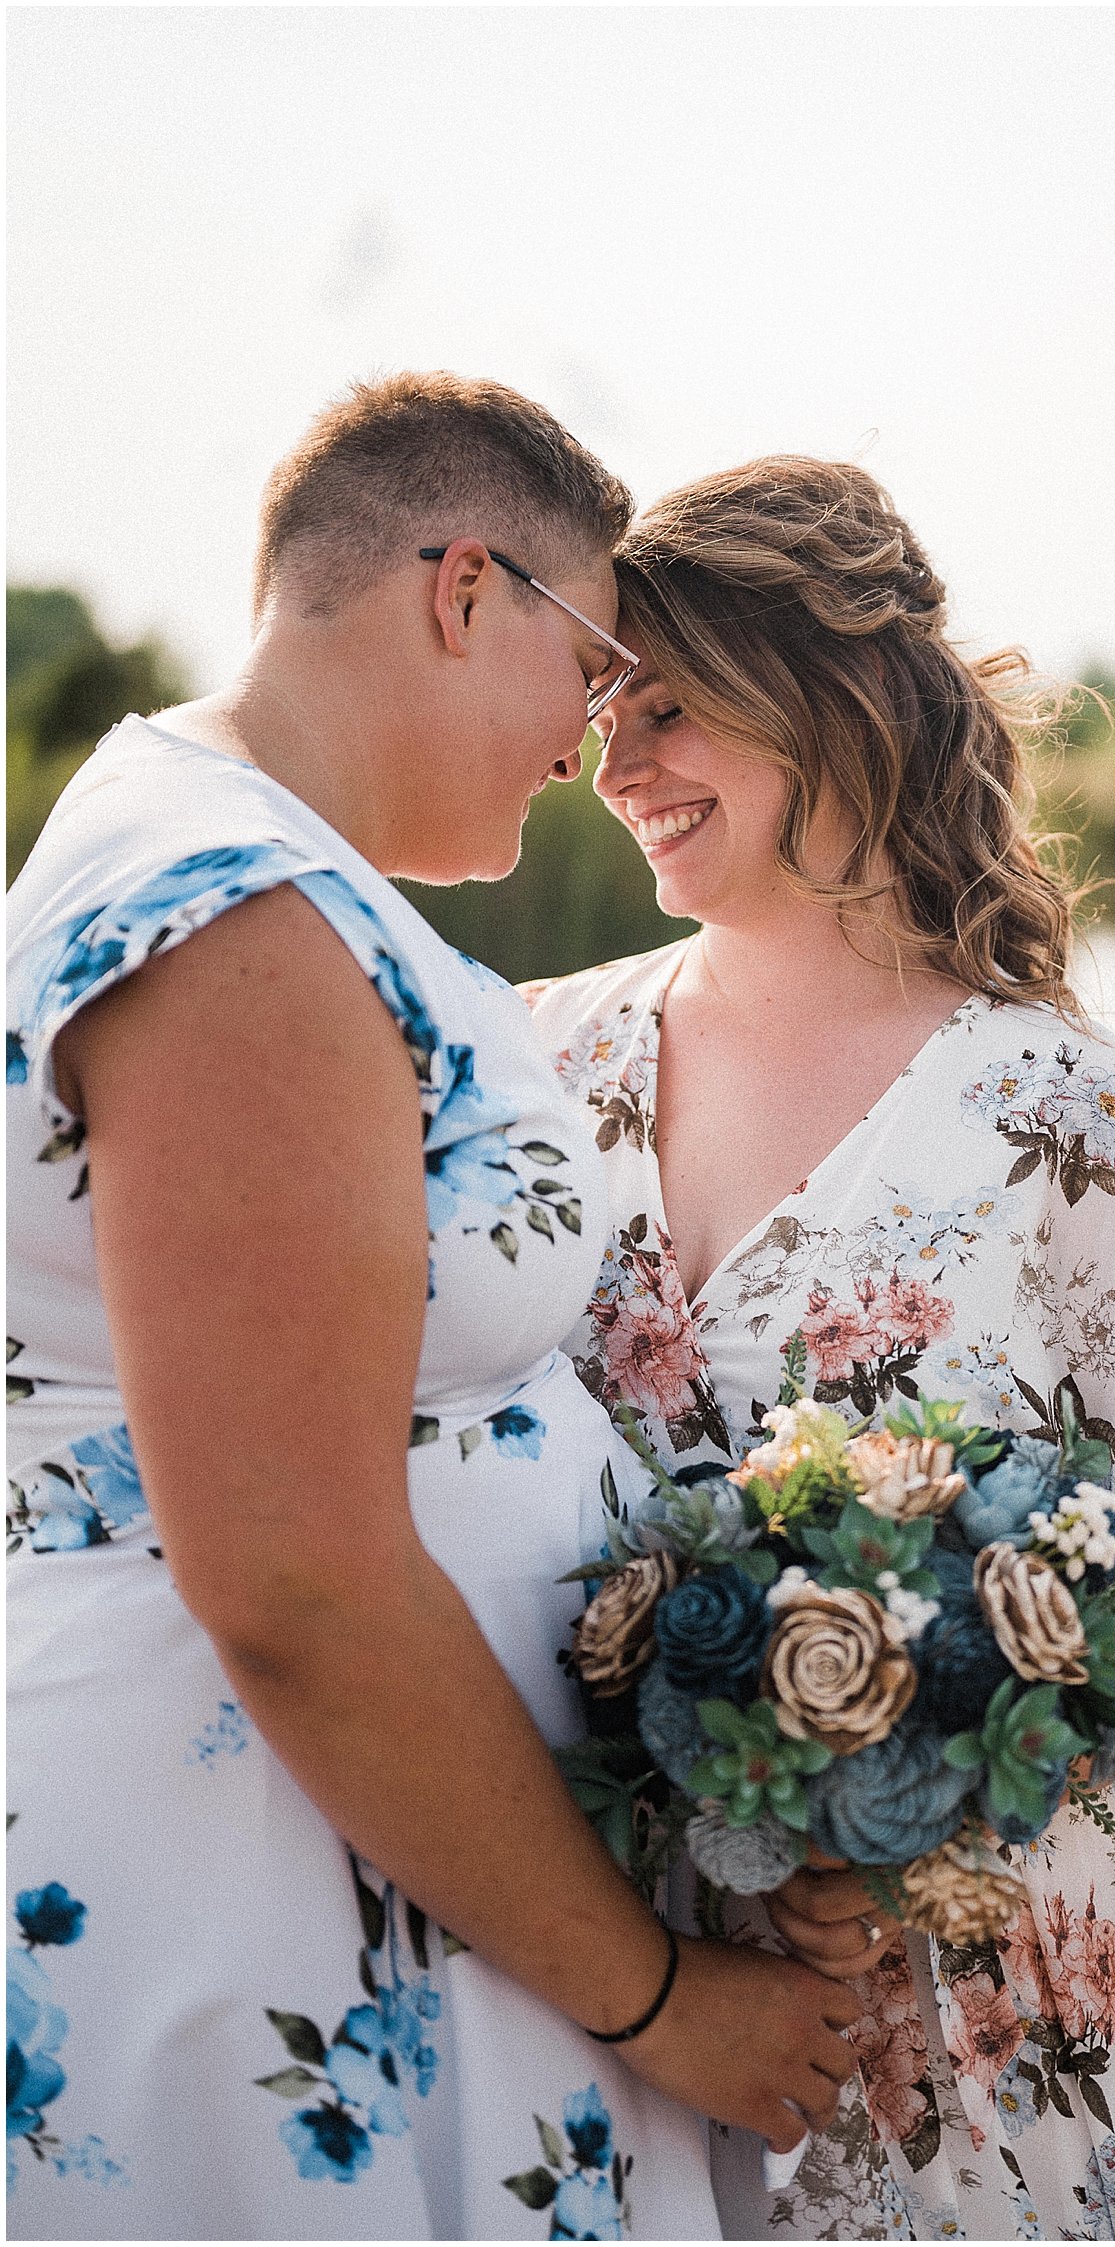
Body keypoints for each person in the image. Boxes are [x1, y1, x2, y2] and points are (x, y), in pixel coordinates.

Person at [5, 382, 861, 2241]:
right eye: (596, 663)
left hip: (353, 1865)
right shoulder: (228, 910)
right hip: (271, 1900)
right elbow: (293, 1574)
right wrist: (652, 1997)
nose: (595, 740)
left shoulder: (237, 859)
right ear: (464, 590)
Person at [524, 457, 1115, 2243]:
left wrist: (912, 1792)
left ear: (830, 705)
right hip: (640, 2004)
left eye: (672, 705)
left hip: (1031, 2011)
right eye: (600, 707)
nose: (615, 767)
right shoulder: (537, 1073)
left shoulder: (1069, 1126)